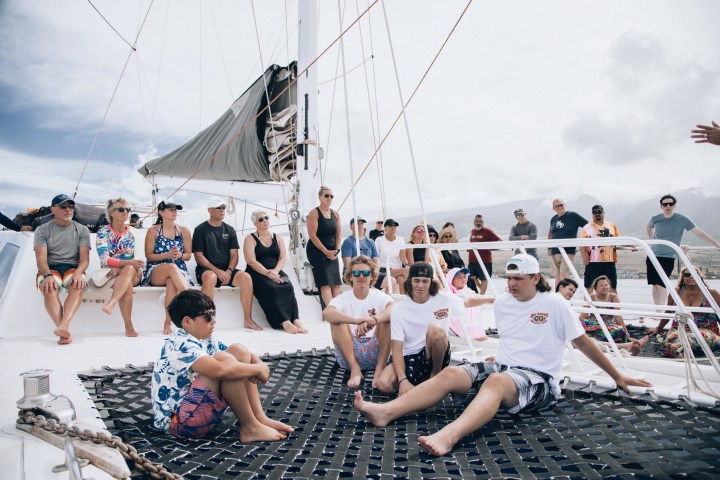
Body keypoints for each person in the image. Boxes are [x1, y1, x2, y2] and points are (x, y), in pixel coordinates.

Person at [354, 254, 652, 456]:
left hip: (541, 380)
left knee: (496, 381)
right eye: (508, 278)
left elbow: (584, 343)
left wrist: (618, 376)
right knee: (452, 373)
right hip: (505, 366)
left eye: (518, 279)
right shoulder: (504, 303)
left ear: (536, 278)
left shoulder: (556, 304)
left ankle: (449, 435)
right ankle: (386, 411)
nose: (511, 284)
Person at [151, 290, 293, 441]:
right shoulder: (179, 344)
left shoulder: (202, 339)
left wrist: (260, 365)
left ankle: (259, 418)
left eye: (214, 314)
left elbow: (246, 356)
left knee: (238, 350)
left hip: (193, 411)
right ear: (187, 321)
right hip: (178, 424)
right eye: (208, 316)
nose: (214, 320)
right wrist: (259, 369)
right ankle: (250, 427)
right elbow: (220, 370)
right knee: (225, 363)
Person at [374, 262, 492, 395]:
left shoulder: (444, 299)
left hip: (435, 354)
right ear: (410, 282)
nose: (420, 285)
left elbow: (468, 301)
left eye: (425, 281)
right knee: (384, 385)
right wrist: (402, 380)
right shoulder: (399, 310)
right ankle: (418, 385)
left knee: (435, 329)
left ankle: (435, 375)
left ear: (431, 282)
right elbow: (396, 349)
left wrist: (494, 299)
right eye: (416, 280)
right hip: (410, 356)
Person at [322, 256, 394, 388]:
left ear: (372, 276)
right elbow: (327, 313)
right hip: (349, 354)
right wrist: (355, 321)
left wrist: (374, 320)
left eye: (366, 273)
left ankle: (379, 370)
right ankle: (355, 370)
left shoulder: (378, 295)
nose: (361, 276)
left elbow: (394, 308)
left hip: (376, 352)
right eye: (356, 273)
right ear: (350, 277)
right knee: (337, 321)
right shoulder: (343, 298)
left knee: (388, 320)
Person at [193, 197, 260, 331]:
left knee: (246, 277)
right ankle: (206, 320)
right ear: (209, 210)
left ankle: (248, 319)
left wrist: (228, 272)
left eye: (224, 207)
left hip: (226, 270)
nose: (222, 210)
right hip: (207, 269)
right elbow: (198, 256)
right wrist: (218, 272)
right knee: (210, 277)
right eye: (219, 208)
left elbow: (234, 255)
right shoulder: (200, 229)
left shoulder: (229, 230)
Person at [34, 194, 91, 345]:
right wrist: (47, 275)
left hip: (72, 267)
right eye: (63, 206)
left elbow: (84, 259)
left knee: (77, 284)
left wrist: (78, 273)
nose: (68, 210)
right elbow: (41, 259)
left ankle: (63, 327)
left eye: (70, 206)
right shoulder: (42, 230)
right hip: (50, 267)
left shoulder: (82, 230)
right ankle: (63, 330)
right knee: (49, 287)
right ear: (53, 209)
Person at [646, 194, 720, 306]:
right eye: (665, 204)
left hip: (668, 256)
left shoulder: (682, 219)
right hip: (652, 255)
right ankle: (657, 310)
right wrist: (651, 240)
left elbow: (699, 232)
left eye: (670, 204)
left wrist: (715, 243)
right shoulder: (655, 218)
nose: (668, 206)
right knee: (654, 285)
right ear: (661, 206)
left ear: (674, 206)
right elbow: (648, 227)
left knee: (661, 283)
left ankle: (661, 310)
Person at [243, 210, 306, 334]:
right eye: (261, 219)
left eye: (266, 217)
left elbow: (282, 258)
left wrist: (276, 271)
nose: (265, 220)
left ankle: (295, 319)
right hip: (257, 271)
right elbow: (251, 261)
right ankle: (284, 322)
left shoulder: (278, 238)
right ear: (255, 223)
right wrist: (269, 274)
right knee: (271, 287)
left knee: (288, 286)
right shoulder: (250, 239)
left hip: (275, 269)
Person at [95, 198, 145, 336]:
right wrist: (123, 265)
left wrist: (122, 266)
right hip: (112, 273)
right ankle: (128, 326)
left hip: (134, 272)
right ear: (111, 213)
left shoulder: (134, 232)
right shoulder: (103, 233)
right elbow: (104, 258)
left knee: (129, 270)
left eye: (128, 210)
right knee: (126, 283)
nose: (126, 212)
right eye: (121, 209)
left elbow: (140, 259)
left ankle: (113, 302)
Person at [142, 200, 192, 335]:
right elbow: (149, 256)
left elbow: (188, 255)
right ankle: (190, 298)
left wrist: (180, 255)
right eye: (171, 209)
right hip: (156, 270)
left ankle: (168, 322)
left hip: (178, 270)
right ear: (161, 213)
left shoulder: (184, 231)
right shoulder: (153, 231)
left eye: (176, 209)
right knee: (171, 266)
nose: (174, 212)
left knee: (171, 281)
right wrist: (167, 255)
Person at [650, 267, 720, 358]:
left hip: (706, 331)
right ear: (683, 278)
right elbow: (668, 313)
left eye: (695, 274)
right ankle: (679, 352)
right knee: (673, 337)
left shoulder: (711, 293)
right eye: (687, 275)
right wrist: (658, 329)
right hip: (679, 329)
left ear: (700, 277)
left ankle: (676, 349)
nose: (691, 277)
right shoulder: (675, 293)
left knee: (696, 336)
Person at [579, 205, 632, 293]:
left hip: (609, 262)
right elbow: (581, 244)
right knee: (589, 287)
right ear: (592, 214)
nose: (597, 214)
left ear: (603, 213)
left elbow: (619, 240)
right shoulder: (586, 227)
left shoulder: (612, 226)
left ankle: (614, 307)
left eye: (599, 212)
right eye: (594, 212)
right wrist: (584, 258)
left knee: (612, 288)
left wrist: (630, 246)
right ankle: (588, 306)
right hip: (592, 263)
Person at [306, 186, 342, 307]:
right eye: (326, 195)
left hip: (332, 251)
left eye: (331, 196)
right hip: (317, 250)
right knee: (325, 283)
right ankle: (331, 311)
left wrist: (337, 250)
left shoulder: (336, 214)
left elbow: (338, 234)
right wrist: (325, 251)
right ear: (320, 197)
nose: (329, 198)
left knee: (336, 283)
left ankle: (338, 309)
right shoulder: (314, 213)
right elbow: (312, 235)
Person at [547, 199, 587, 288]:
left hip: (568, 251)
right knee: (557, 276)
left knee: (563, 275)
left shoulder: (573, 215)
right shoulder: (553, 219)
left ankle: (566, 297)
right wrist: (549, 248)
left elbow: (587, 226)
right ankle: (558, 297)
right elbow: (550, 233)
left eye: (561, 205)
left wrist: (583, 241)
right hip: (555, 250)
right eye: (557, 206)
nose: (560, 207)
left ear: (565, 205)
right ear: (553, 208)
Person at [578, 275, 629, 342]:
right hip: (593, 322)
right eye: (601, 285)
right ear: (595, 288)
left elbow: (618, 316)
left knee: (620, 330)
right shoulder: (591, 297)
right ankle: (609, 340)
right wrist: (575, 324)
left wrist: (626, 331)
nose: (604, 287)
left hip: (608, 323)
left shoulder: (613, 297)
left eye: (606, 285)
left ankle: (608, 340)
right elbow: (584, 314)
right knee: (583, 327)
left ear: (609, 286)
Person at [340, 217, 387, 289]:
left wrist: (375, 273)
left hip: (369, 273)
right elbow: (348, 264)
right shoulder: (348, 242)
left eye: (361, 223)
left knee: (391, 281)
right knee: (364, 282)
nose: (360, 225)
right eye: (357, 223)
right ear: (351, 226)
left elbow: (376, 260)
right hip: (354, 273)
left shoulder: (370, 242)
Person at [445, 267, 491, 340]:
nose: (463, 279)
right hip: (453, 324)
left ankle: (475, 332)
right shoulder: (447, 293)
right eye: (459, 277)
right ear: (452, 280)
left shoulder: (468, 291)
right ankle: (467, 333)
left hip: (466, 325)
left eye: (464, 277)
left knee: (474, 304)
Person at [468, 215, 501, 295]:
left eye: (480, 221)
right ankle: (483, 293)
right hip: (472, 259)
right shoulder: (473, 231)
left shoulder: (487, 231)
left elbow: (499, 240)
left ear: (483, 222)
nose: (478, 223)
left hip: (484, 260)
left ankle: (481, 296)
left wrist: (492, 248)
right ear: (474, 222)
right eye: (477, 221)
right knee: (473, 278)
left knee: (484, 279)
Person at [374, 219, 409, 294]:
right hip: (384, 269)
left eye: (395, 226)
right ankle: (410, 296)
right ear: (385, 228)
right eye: (390, 225)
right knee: (406, 271)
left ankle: (402, 300)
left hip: (397, 270)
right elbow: (375, 256)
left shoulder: (401, 239)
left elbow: (402, 255)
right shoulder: (379, 240)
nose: (393, 227)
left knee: (401, 278)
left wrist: (406, 265)